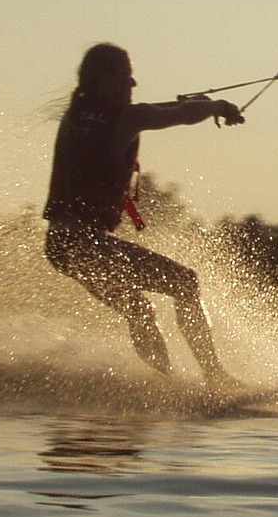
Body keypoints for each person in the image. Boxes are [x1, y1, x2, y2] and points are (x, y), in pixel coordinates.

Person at [43, 42, 245, 386]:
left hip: (61, 246)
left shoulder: (76, 115)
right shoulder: (126, 118)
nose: (132, 85)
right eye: (127, 77)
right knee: (186, 282)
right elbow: (168, 115)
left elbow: (158, 110)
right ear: (106, 80)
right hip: (84, 243)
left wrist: (196, 104)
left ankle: (164, 385)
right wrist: (219, 106)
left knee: (139, 310)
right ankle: (215, 376)